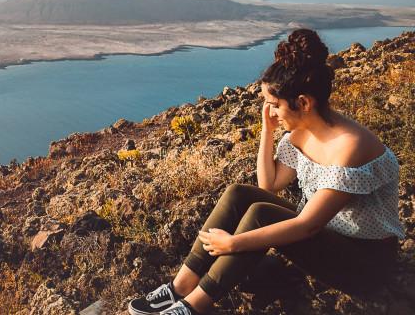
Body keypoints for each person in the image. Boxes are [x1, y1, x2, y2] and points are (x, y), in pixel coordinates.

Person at [128, 29, 404, 315]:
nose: (270, 112)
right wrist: (267, 131)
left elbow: (307, 225)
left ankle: (192, 307)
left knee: (262, 215)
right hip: (327, 240)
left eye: (274, 105)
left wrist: (233, 243)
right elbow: (268, 184)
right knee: (239, 194)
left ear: (304, 102)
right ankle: (181, 286)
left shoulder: (350, 147)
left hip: (364, 266)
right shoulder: (303, 131)